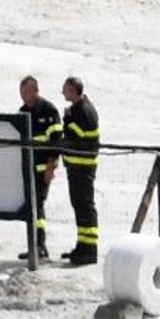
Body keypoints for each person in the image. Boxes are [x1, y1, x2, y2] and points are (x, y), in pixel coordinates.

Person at [18, 75, 63, 261]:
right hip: (27, 168)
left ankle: (40, 245)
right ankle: (34, 244)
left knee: (38, 206)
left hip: (43, 168)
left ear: (36, 90)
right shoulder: (22, 112)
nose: (23, 96)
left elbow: (56, 142)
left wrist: (50, 167)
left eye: (26, 92)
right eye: (21, 92)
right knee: (32, 207)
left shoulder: (49, 110)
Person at [60, 76, 100, 266]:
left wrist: (67, 119)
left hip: (82, 168)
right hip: (77, 167)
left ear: (74, 90)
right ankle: (82, 246)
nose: (63, 93)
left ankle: (89, 250)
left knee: (85, 207)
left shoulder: (83, 111)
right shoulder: (80, 108)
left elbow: (75, 135)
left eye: (66, 89)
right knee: (80, 207)